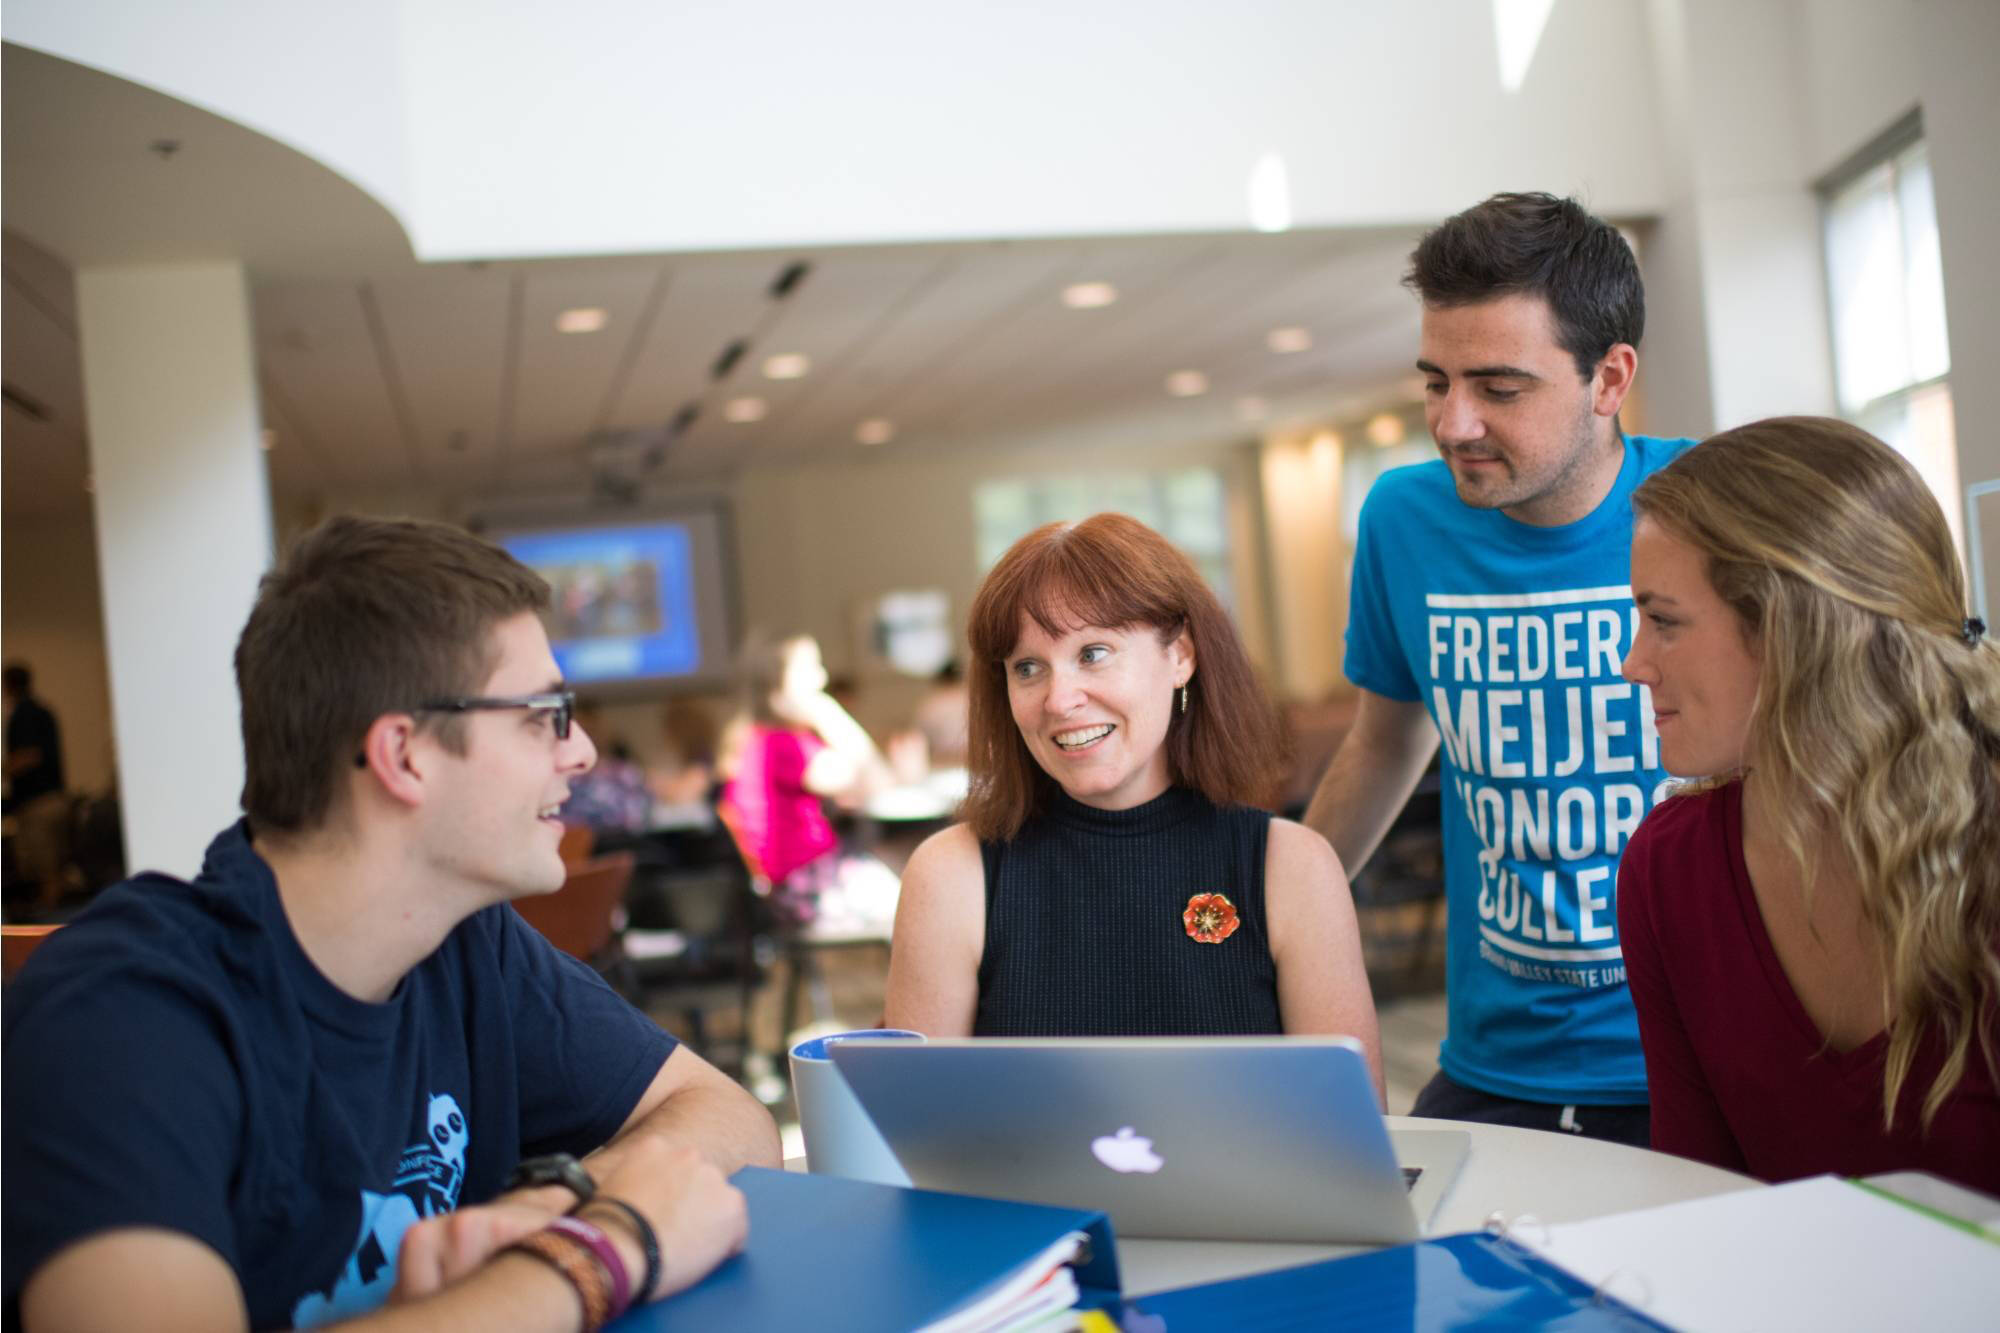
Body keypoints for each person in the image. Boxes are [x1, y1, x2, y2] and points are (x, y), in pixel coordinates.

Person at [2, 516, 779, 1332]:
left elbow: (731, 1116)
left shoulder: (467, 942)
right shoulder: (121, 1016)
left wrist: (560, 1200)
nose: (581, 749)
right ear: (404, 755)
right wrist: (593, 1252)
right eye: (544, 712)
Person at [1304, 192, 1697, 1144]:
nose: (1452, 423)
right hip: (1492, 1059)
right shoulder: (1403, 518)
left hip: (1688, 1051)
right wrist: (1280, 915)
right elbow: (1385, 739)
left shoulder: (1709, 504)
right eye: (1435, 381)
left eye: (1499, 388)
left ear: (1610, 379)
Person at [1617, 417, 2000, 1191]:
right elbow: (1701, 1204)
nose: (1633, 664)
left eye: (1663, 621)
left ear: (1791, 630)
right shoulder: (1669, 870)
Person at [884, 513, 1381, 1085]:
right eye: (1028, 668)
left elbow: (1356, 1142)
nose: (1060, 699)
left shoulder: (1292, 867)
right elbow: (915, 1138)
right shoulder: (952, 876)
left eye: (1093, 653)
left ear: (1181, 657)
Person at [717, 634, 897, 933]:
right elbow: (875, 781)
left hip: (793, 886)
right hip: (809, 888)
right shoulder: (785, 747)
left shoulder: (755, 740)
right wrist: (830, 714)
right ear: (777, 688)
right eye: (810, 669)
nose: (822, 678)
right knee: (926, 892)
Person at [3, 661, 69, 905]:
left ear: (9, 685)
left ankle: (49, 932)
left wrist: (5, 770)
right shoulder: (43, 711)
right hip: (54, 797)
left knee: (45, 870)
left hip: (38, 803)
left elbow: (29, 755)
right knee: (54, 868)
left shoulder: (24, 714)